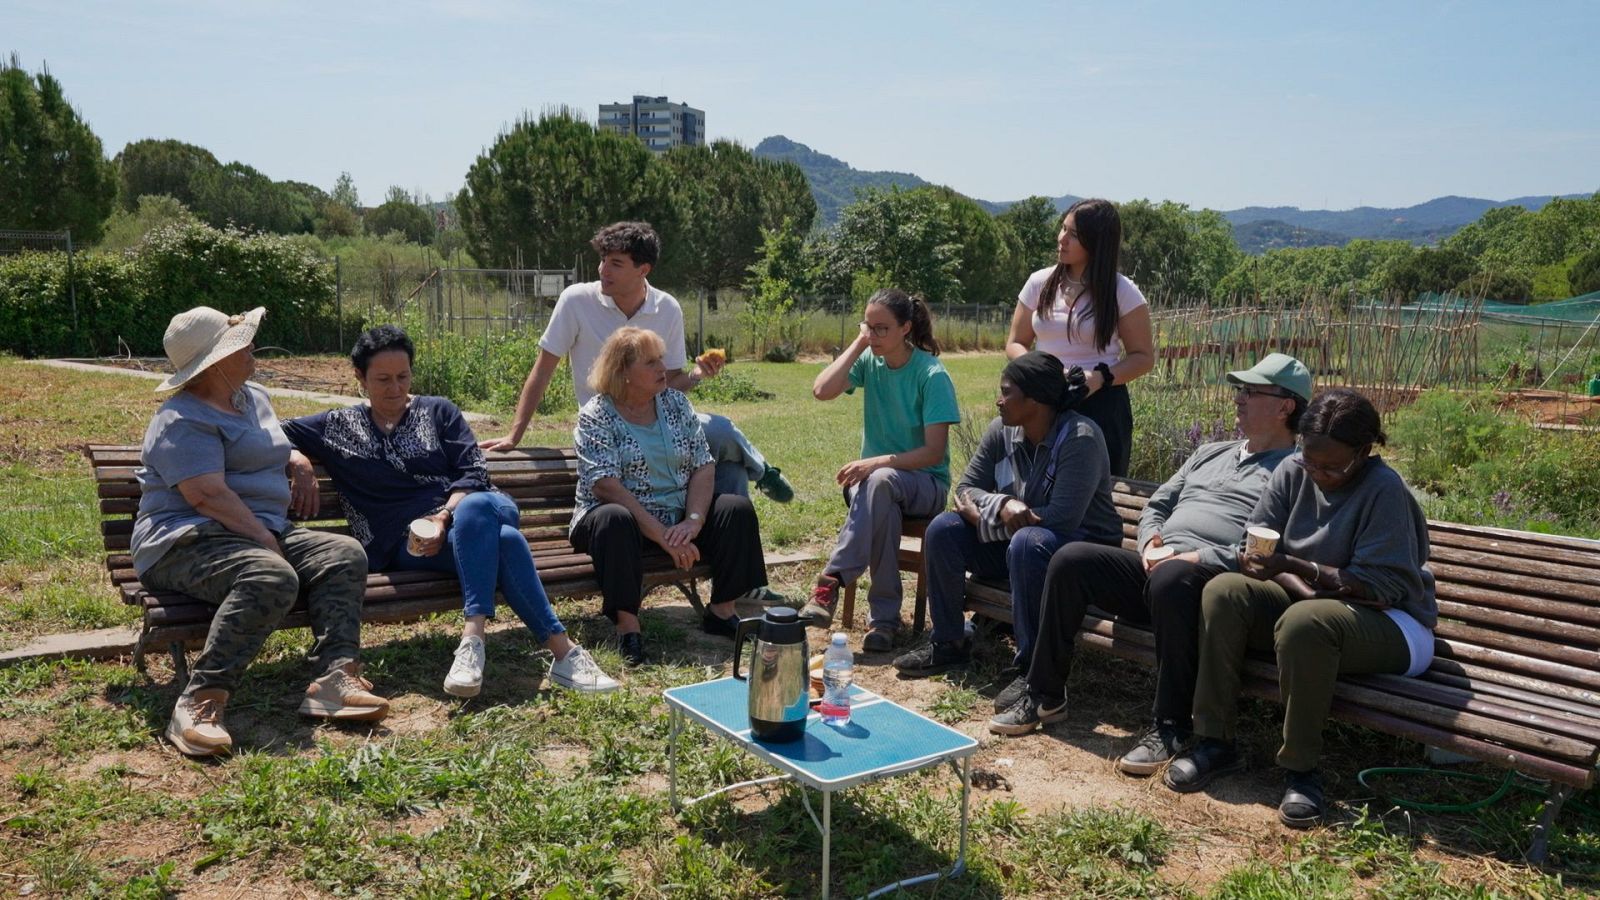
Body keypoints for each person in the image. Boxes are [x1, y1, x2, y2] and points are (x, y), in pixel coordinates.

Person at [282, 325, 619, 698]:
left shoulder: (438, 411)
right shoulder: (338, 426)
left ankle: (473, 639)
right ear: (360, 377)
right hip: (407, 544)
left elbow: (474, 472)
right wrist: (298, 459)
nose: (395, 388)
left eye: (403, 377)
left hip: (476, 509)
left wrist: (442, 517)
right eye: (383, 379)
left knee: (477, 507)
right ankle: (563, 653)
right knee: (506, 542)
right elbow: (272, 431)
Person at [988, 353, 1309, 744]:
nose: (1238, 398)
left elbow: (1263, 548)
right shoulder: (1211, 452)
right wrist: (1151, 539)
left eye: (1251, 392)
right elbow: (1159, 503)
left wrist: (1195, 557)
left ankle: (1170, 726)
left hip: (1211, 587)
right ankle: (1044, 694)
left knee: (1172, 578)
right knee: (1071, 560)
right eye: (1240, 390)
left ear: (1285, 407)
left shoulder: (1296, 471)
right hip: (1158, 569)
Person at [1164, 388, 1436, 829]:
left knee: (1307, 621)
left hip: (1393, 623)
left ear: (1364, 452)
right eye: (1311, 462)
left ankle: (1301, 771)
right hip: (1310, 609)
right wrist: (1296, 582)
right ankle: (1214, 742)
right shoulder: (1292, 471)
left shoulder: (1384, 490)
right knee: (1225, 592)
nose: (1319, 474)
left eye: (1332, 467)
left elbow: (1380, 587)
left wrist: (1295, 568)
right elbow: (1257, 553)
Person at [132, 307, 389, 758]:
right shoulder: (181, 419)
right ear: (214, 363)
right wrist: (266, 541)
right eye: (240, 345)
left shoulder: (253, 397)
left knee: (343, 554)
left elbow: (268, 443)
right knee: (270, 575)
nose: (251, 347)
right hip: (185, 540)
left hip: (258, 528)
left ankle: (334, 679)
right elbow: (207, 495)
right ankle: (199, 701)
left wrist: (297, 458)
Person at [481, 221, 793, 518]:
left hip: (660, 421)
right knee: (725, 456)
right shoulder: (576, 301)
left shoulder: (667, 308)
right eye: (603, 260)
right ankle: (759, 476)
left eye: (616, 263)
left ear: (643, 270)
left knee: (724, 443)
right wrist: (514, 435)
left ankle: (730, 525)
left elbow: (669, 383)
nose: (603, 270)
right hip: (606, 425)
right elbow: (542, 371)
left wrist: (696, 374)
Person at [891, 351, 1122, 683]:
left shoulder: (1079, 438)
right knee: (944, 528)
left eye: (1006, 392)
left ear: (1035, 399)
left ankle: (1032, 671)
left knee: (1027, 543)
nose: (998, 401)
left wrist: (985, 518)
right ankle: (949, 644)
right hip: (1025, 547)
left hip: (1082, 555)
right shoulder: (1001, 430)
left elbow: (1062, 518)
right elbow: (965, 490)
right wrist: (1002, 505)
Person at [569, 327, 778, 665]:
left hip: (677, 516)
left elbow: (703, 466)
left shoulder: (675, 403)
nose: (662, 368)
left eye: (661, 359)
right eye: (651, 362)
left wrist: (693, 522)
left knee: (735, 509)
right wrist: (663, 535)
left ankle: (722, 611)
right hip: (617, 520)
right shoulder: (597, 414)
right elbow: (606, 485)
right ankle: (628, 628)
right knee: (615, 519)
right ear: (623, 372)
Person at [799, 288, 961, 652]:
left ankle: (832, 579)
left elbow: (933, 452)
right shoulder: (869, 361)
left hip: (926, 485)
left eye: (881, 329)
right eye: (867, 326)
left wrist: (878, 461)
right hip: (875, 486)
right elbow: (821, 390)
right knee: (881, 501)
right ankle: (884, 623)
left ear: (906, 328)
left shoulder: (931, 374)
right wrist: (859, 343)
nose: (872, 335)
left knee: (880, 481)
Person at [1005, 199, 1155, 477]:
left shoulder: (1122, 291)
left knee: (1097, 492)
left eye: (1073, 234)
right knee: (1030, 486)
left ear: (1097, 242)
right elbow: (1015, 343)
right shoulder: (1038, 282)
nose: (1061, 239)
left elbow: (1143, 358)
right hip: (1041, 402)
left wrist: (1098, 379)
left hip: (1101, 406)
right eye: (1063, 228)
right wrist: (1040, 373)